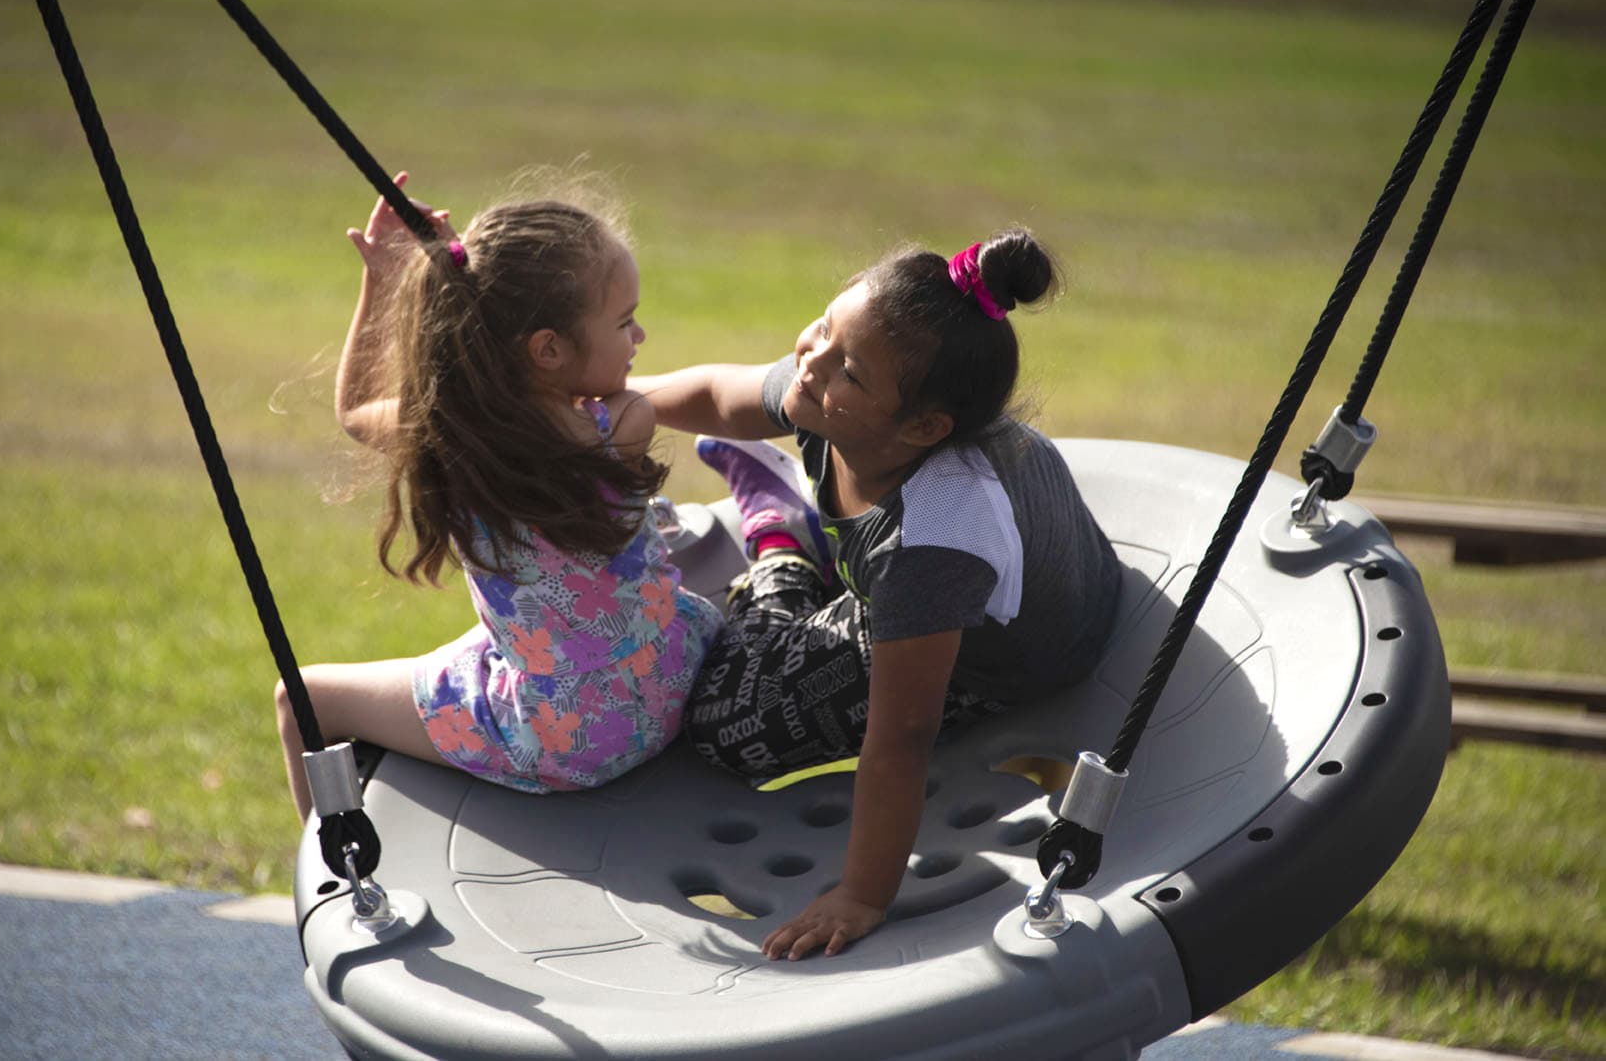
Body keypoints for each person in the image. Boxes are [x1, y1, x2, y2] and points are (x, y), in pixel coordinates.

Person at [630, 229, 1122, 961]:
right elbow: (716, 396)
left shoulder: (937, 544)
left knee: (722, 717)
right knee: (836, 557)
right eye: (824, 327)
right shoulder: (837, 393)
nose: (812, 358)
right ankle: (795, 525)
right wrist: (609, 404)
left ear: (925, 425)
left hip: (1003, 655)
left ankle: (779, 539)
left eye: (848, 370)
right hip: (933, 581)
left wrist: (862, 893)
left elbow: (901, 737)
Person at [276, 174, 723, 819]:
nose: (639, 337)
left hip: (566, 742)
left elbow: (355, 411)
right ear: (547, 349)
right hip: (670, 682)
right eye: (625, 322)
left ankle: (338, 873)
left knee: (302, 700)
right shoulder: (623, 424)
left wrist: (386, 277)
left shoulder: (452, 444)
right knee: (489, 646)